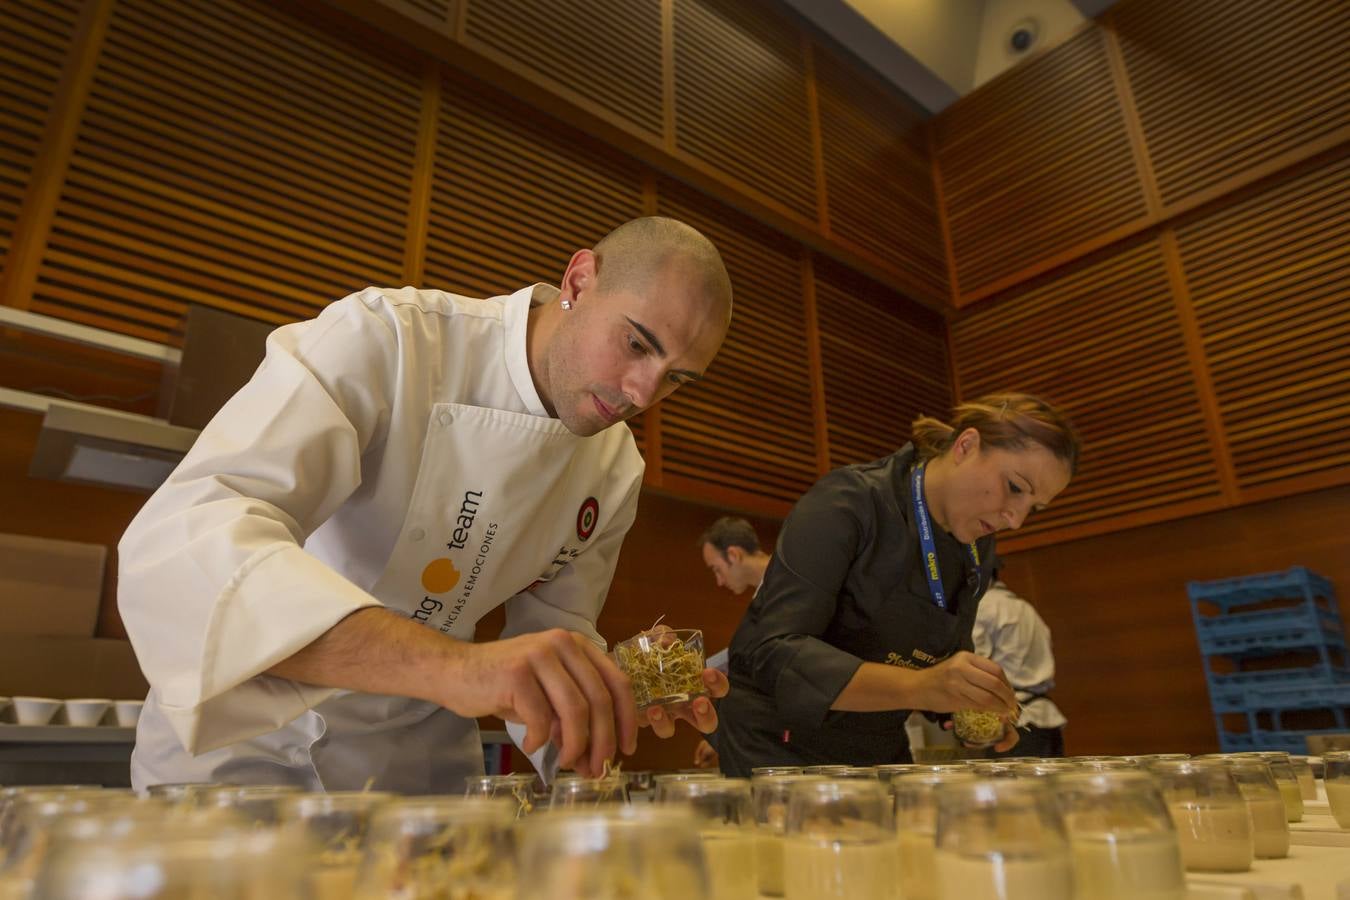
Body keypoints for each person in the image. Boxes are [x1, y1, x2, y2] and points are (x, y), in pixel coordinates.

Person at [118, 217, 734, 793]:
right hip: (245, 750)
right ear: (579, 280)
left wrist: (610, 686)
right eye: (635, 343)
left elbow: (554, 634)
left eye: (677, 378)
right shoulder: (389, 338)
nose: (642, 393)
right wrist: (457, 669)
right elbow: (190, 536)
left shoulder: (616, 468)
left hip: (414, 774)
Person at [714, 394, 1081, 776]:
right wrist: (920, 686)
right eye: (1016, 487)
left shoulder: (976, 546)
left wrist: (971, 705)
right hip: (779, 747)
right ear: (966, 446)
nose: (1016, 519)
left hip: (877, 745)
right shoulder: (848, 502)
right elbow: (772, 651)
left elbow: (940, 663)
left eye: (1034, 508)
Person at [692, 516, 772, 768]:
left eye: (717, 568)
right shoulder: (765, 591)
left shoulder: (785, 586)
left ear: (734, 555)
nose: (719, 581)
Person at [971, 568, 1067, 757]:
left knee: (1014, 787)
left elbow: (974, 663)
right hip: (1046, 719)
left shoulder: (983, 606)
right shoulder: (1025, 607)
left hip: (1017, 723)